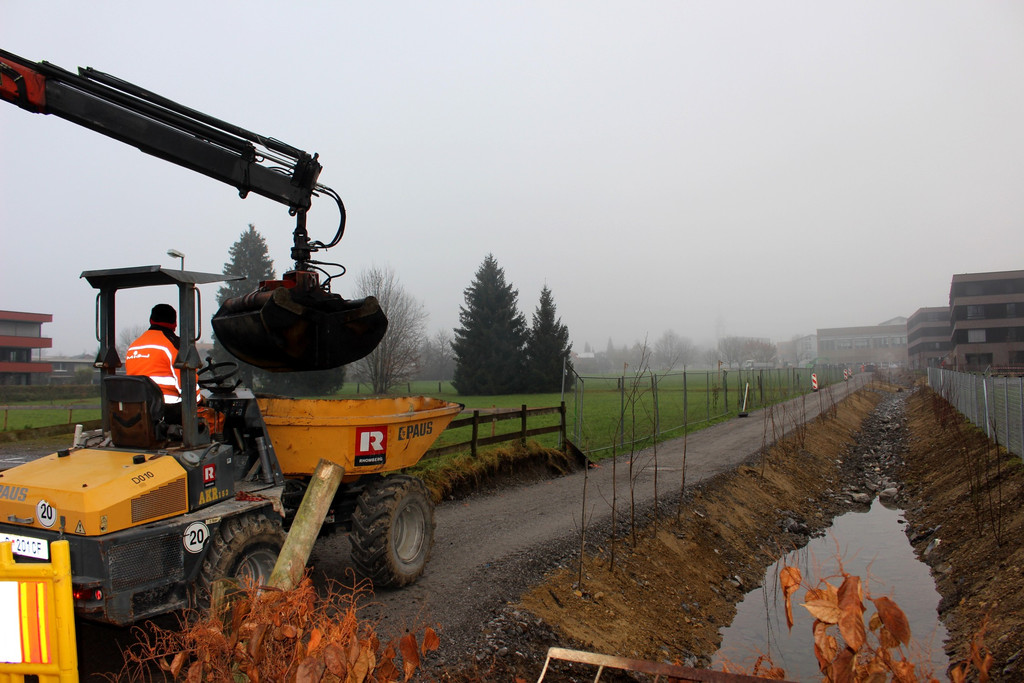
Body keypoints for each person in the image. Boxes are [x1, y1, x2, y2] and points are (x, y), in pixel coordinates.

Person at [125, 303, 187, 423]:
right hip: (166, 410)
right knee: (210, 417)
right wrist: (200, 400)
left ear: (151, 320)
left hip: (137, 408)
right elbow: (186, 382)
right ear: (175, 324)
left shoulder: (134, 346)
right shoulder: (175, 344)